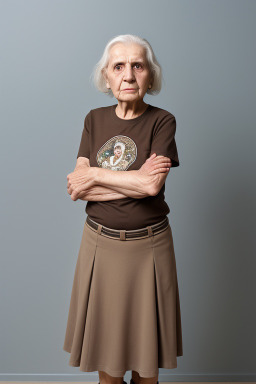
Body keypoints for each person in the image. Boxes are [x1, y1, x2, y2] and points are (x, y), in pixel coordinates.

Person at [63, 34, 183, 384]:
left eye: (137, 65)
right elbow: (76, 186)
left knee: (147, 372)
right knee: (109, 370)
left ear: (150, 75)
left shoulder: (163, 121)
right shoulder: (94, 119)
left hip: (150, 249)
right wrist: (126, 179)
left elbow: (151, 186)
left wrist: (97, 177)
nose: (128, 75)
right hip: (100, 247)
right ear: (106, 76)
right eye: (118, 66)